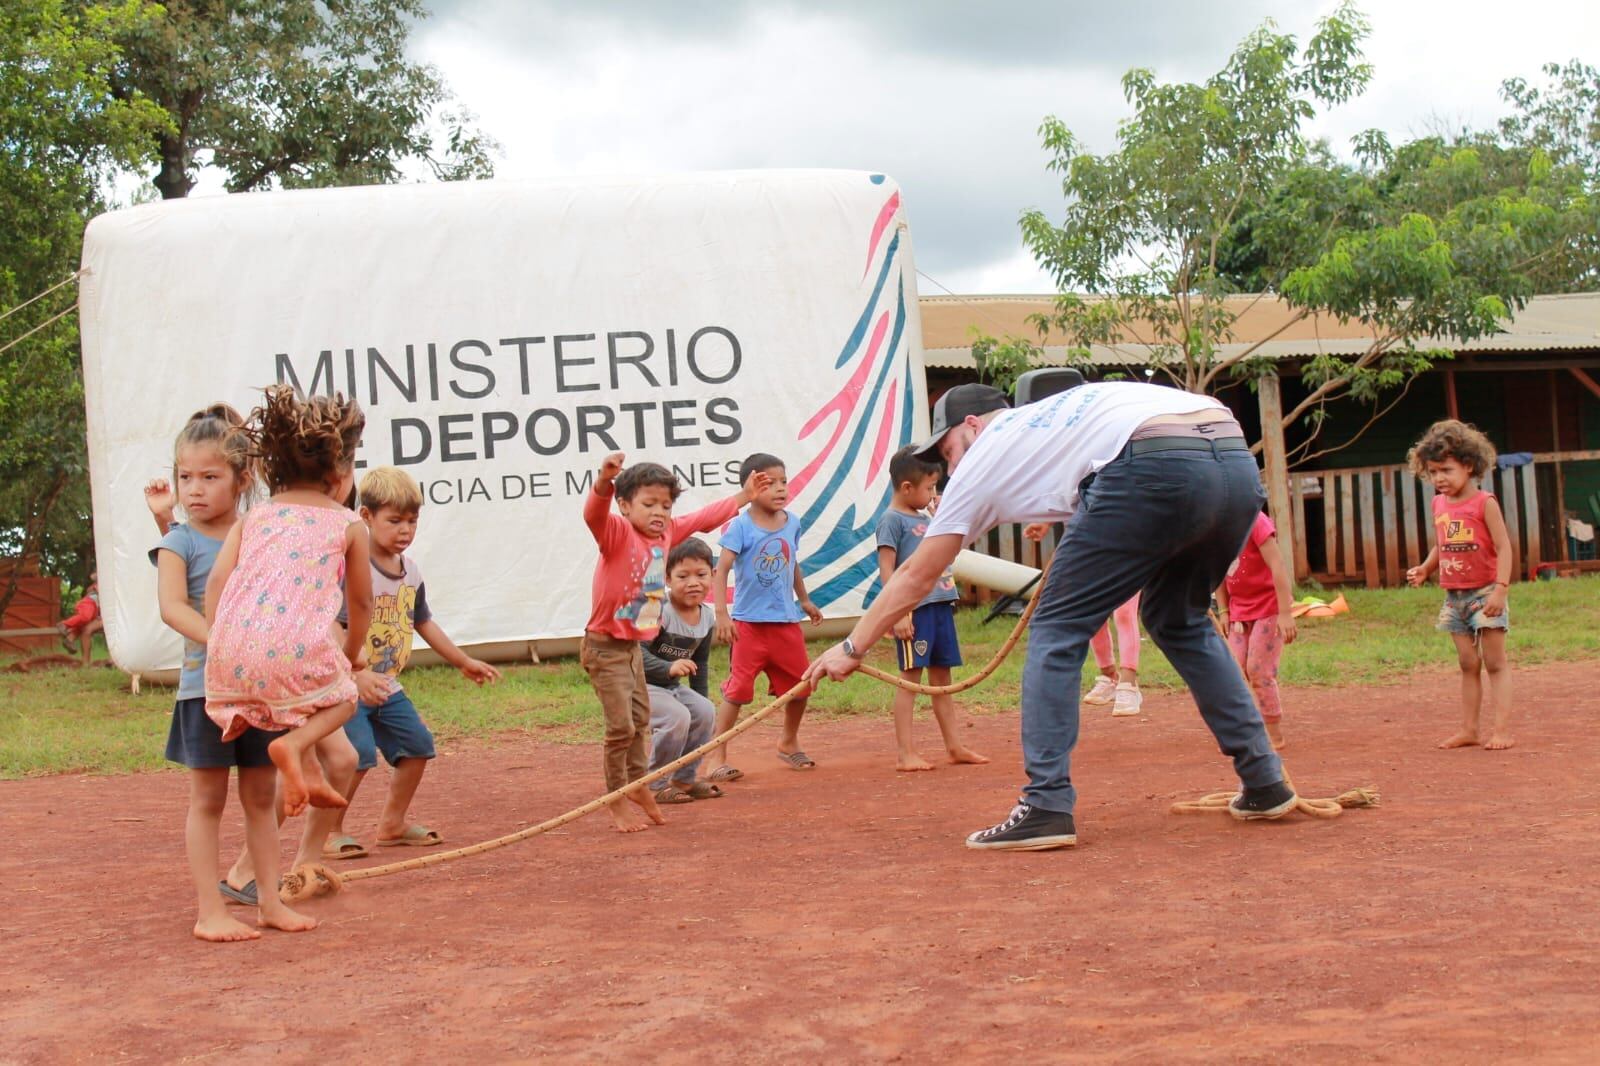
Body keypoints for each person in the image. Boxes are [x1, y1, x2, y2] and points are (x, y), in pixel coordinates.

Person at [804, 382, 1291, 851]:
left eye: (947, 451)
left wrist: (852, 646)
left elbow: (917, 574)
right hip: (1231, 456)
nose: (949, 466)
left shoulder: (987, 452)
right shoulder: (1051, 419)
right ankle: (1265, 780)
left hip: (1151, 459)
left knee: (1057, 627)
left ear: (972, 425)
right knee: (1178, 618)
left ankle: (1046, 805)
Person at [151, 403, 309, 940]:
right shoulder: (179, 541)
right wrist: (221, 640)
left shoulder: (259, 532)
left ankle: (269, 902)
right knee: (209, 800)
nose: (194, 489)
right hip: (205, 694)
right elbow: (173, 607)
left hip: (260, 694)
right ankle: (209, 912)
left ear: (243, 480)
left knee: (261, 800)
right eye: (185, 477)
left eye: (209, 477)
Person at [204, 385, 372, 870]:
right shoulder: (346, 523)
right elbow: (360, 601)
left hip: (229, 655)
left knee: (293, 703)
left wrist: (222, 639)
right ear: (338, 475)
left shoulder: (256, 515)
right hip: (294, 651)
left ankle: (308, 770)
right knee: (340, 697)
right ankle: (295, 748)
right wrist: (351, 652)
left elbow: (217, 583)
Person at [582, 452, 771, 833]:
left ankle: (639, 786)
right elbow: (593, 515)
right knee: (621, 728)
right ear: (624, 505)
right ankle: (616, 798)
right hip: (604, 648)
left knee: (637, 723)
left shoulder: (666, 534)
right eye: (648, 504)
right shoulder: (616, 532)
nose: (659, 512)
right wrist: (604, 482)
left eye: (666, 505)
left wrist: (744, 497)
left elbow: (705, 518)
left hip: (631, 649)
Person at [322, 467, 502, 859]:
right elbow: (331, 623)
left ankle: (392, 824)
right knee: (357, 756)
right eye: (394, 520)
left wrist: (462, 661)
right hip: (347, 686)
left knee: (417, 746)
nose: (405, 530)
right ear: (366, 517)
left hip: (386, 685)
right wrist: (357, 670)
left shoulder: (411, 571)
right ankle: (329, 830)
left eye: (412, 521)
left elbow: (423, 622)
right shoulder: (353, 568)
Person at [708, 452, 824, 779]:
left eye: (783, 482)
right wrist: (722, 614)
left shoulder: (793, 522)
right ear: (749, 487)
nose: (779, 489)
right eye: (768, 483)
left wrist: (804, 600)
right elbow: (722, 570)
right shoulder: (740, 526)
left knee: (802, 686)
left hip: (786, 623)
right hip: (749, 626)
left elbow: (792, 563)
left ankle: (788, 741)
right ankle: (716, 756)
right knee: (737, 692)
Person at [876, 446, 988, 771]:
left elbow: (947, 557)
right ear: (907, 487)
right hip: (915, 610)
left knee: (943, 678)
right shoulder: (891, 520)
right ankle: (905, 752)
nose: (932, 494)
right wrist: (897, 612)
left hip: (940, 605)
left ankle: (954, 746)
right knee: (910, 679)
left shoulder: (926, 518)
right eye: (929, 488)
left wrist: (941, 518)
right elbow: (887, 569)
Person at [1405, 420, 1514, 750]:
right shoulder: (1439, 503)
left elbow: (1504, 546)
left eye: (1446, 470)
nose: (1439, 479)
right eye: (1433, 472)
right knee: (1468, 663)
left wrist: (1501, 589)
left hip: (1485, 593)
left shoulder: (1485, 503)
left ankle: (1502, 730)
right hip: (1454, 596)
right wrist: (1425, 568)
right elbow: (1442, 542)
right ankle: (1469, 729)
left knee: (1495, 663)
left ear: (1468, 466)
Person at [1025, 525, 1144, 717]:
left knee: (1124, 611)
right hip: (1092, 546)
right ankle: (1109, 676)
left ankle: (1129, 682)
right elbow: (1071, 497)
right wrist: (1046, 523)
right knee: (1093, 611)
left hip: (1131, 544)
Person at [639, 537, 724, 803]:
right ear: (667, 578)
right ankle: (654, 783)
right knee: (677, 717)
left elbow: (701, 662)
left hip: (671, 687)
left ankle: (684, 779)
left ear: (713, 575)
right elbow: (634, 653)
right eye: (682, 576)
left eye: (701, 574)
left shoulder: (707, 617)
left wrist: (702, 698)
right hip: (641, 686)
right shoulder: (656, 608)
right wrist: (669, 666)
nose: (693, 583)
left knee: (705, 712)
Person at [1215, 510, 1297, 748]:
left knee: (1258, 670)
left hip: (1269, 608)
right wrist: (1224, 612)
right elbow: (1218, 573)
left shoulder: (1255, 521)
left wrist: (1285, 613)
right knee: (1234, 671)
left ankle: (1273, 732)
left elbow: (1277, 565)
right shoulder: (1216, 528)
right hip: (1239, 612)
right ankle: (1245, 729)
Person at [56, 573, 103, 659]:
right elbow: (92, 576)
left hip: (95, 608)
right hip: (89, 602)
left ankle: (70, 639)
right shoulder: (100, 583)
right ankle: (64, 624)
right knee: (85, 617)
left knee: (84, 623)